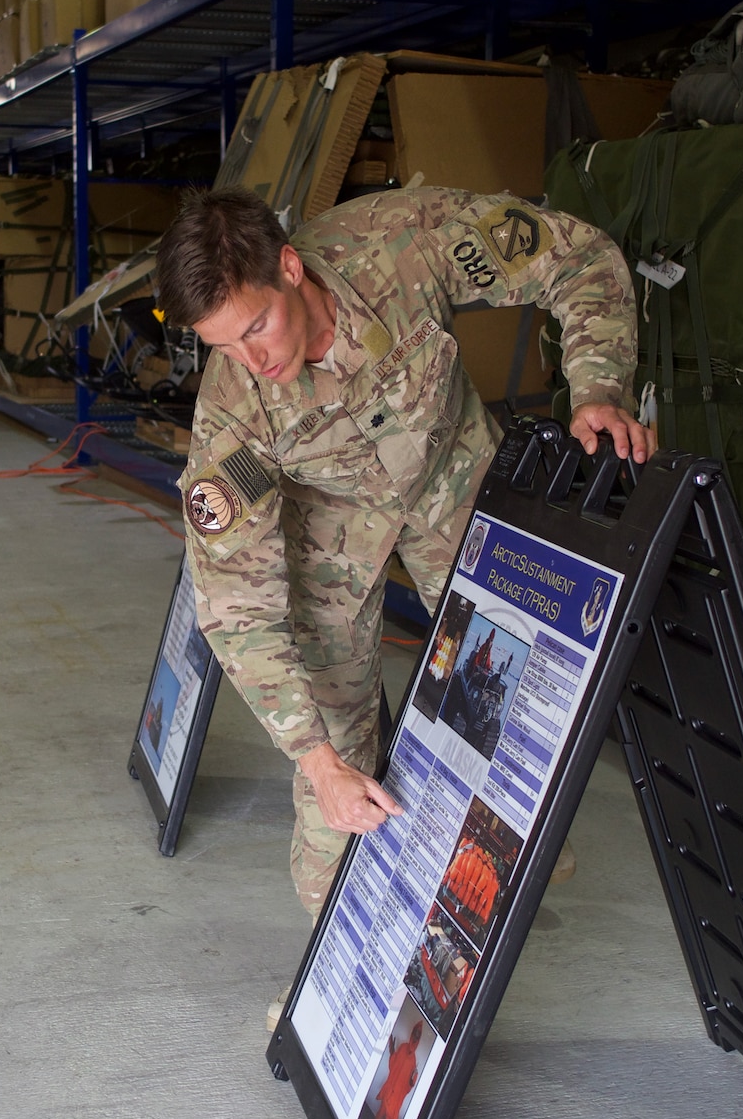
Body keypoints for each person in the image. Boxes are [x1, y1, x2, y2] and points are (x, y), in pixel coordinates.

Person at [155, 186, 644, 1024]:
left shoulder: (400, 245)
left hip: (450, 476)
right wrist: (316, 761)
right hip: (325, 534)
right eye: (223, 347)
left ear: (290, 266)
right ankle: (338, 971)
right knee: (337, 751)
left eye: (257, 328)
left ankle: (502, 851)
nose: (252, 360)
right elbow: (236, 606)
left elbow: (578, 254)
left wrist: (599, 385)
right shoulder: (233, 413)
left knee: (514, 683)